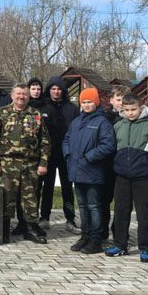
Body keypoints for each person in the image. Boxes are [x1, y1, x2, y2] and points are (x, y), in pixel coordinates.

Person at [104, 93, 148, 263]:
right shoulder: (118, 126)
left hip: (142, 178)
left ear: (141, 108)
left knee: (143, 213)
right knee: (121, 211)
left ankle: (145, 247)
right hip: (122, 177)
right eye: (127, 110)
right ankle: (120, 245)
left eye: (134, 109)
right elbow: (113, 149)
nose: (130, 113)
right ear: (122, 109)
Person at [0, 83, 50, 244]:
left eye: (24, 94)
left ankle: (30, 229)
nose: (21, 97)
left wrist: (43, 163)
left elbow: (45, 141)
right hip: (7, 164)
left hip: (30, 164)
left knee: (30, 199)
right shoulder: (1, 113)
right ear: (12, 95)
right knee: (6, 198)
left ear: (28, 97)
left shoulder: (35, 114)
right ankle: (3, 230)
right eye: (18, 94)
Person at [63, 87, 115, 254]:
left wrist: (89, 157)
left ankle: (96, 239)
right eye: (83, 102)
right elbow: (66, 139)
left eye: (89, 102)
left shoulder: (102, 122)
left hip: (93, 170)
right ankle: (85, 236)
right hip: (77, 170)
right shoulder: (76, 122)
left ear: (96, 103)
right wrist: (68, 154)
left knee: (94, 206)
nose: (86, 105)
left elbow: (108, 145)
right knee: (83, 206)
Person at [37, 76, 80, 233]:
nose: (56, 92)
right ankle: (44, 217)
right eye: (53, 89)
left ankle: (70, 219)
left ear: (63, 91)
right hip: (48, 154)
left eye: (59, 89)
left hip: (66, 154)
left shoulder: (72, 109)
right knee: (47, 187)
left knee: (67, 188)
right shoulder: (42, 107)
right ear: (49, 90)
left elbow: (76, 131)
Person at [100, 85, 131, 242]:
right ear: (111, 100)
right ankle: (102, 230)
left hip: (124, 167)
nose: (121, 103)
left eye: (124, 100)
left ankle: (119, 232)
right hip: (106, 166)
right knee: (103, 201)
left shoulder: (132, 118)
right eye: (118, 99)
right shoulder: (104, 118)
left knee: (123, 203)